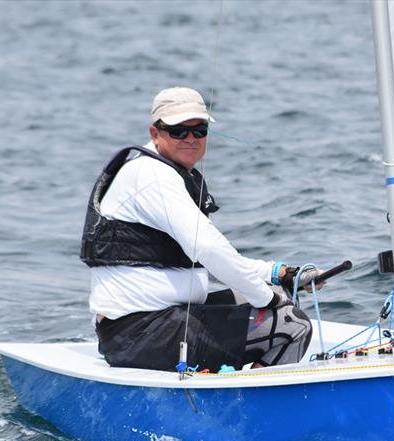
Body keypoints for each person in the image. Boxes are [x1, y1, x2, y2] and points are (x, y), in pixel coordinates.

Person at [80, 87, 321, 372]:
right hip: (139, 333)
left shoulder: (168, 171)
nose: (191, 139)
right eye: (178, 131)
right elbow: (207, 248)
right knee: (291, 324)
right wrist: (265, 298)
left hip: (162, 320)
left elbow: (207, 255)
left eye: (199, 130)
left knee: (277, 297)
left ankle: (241, 387)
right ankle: (245, 407)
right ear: (155, 132)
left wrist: (277, 274)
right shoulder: (151, 176)